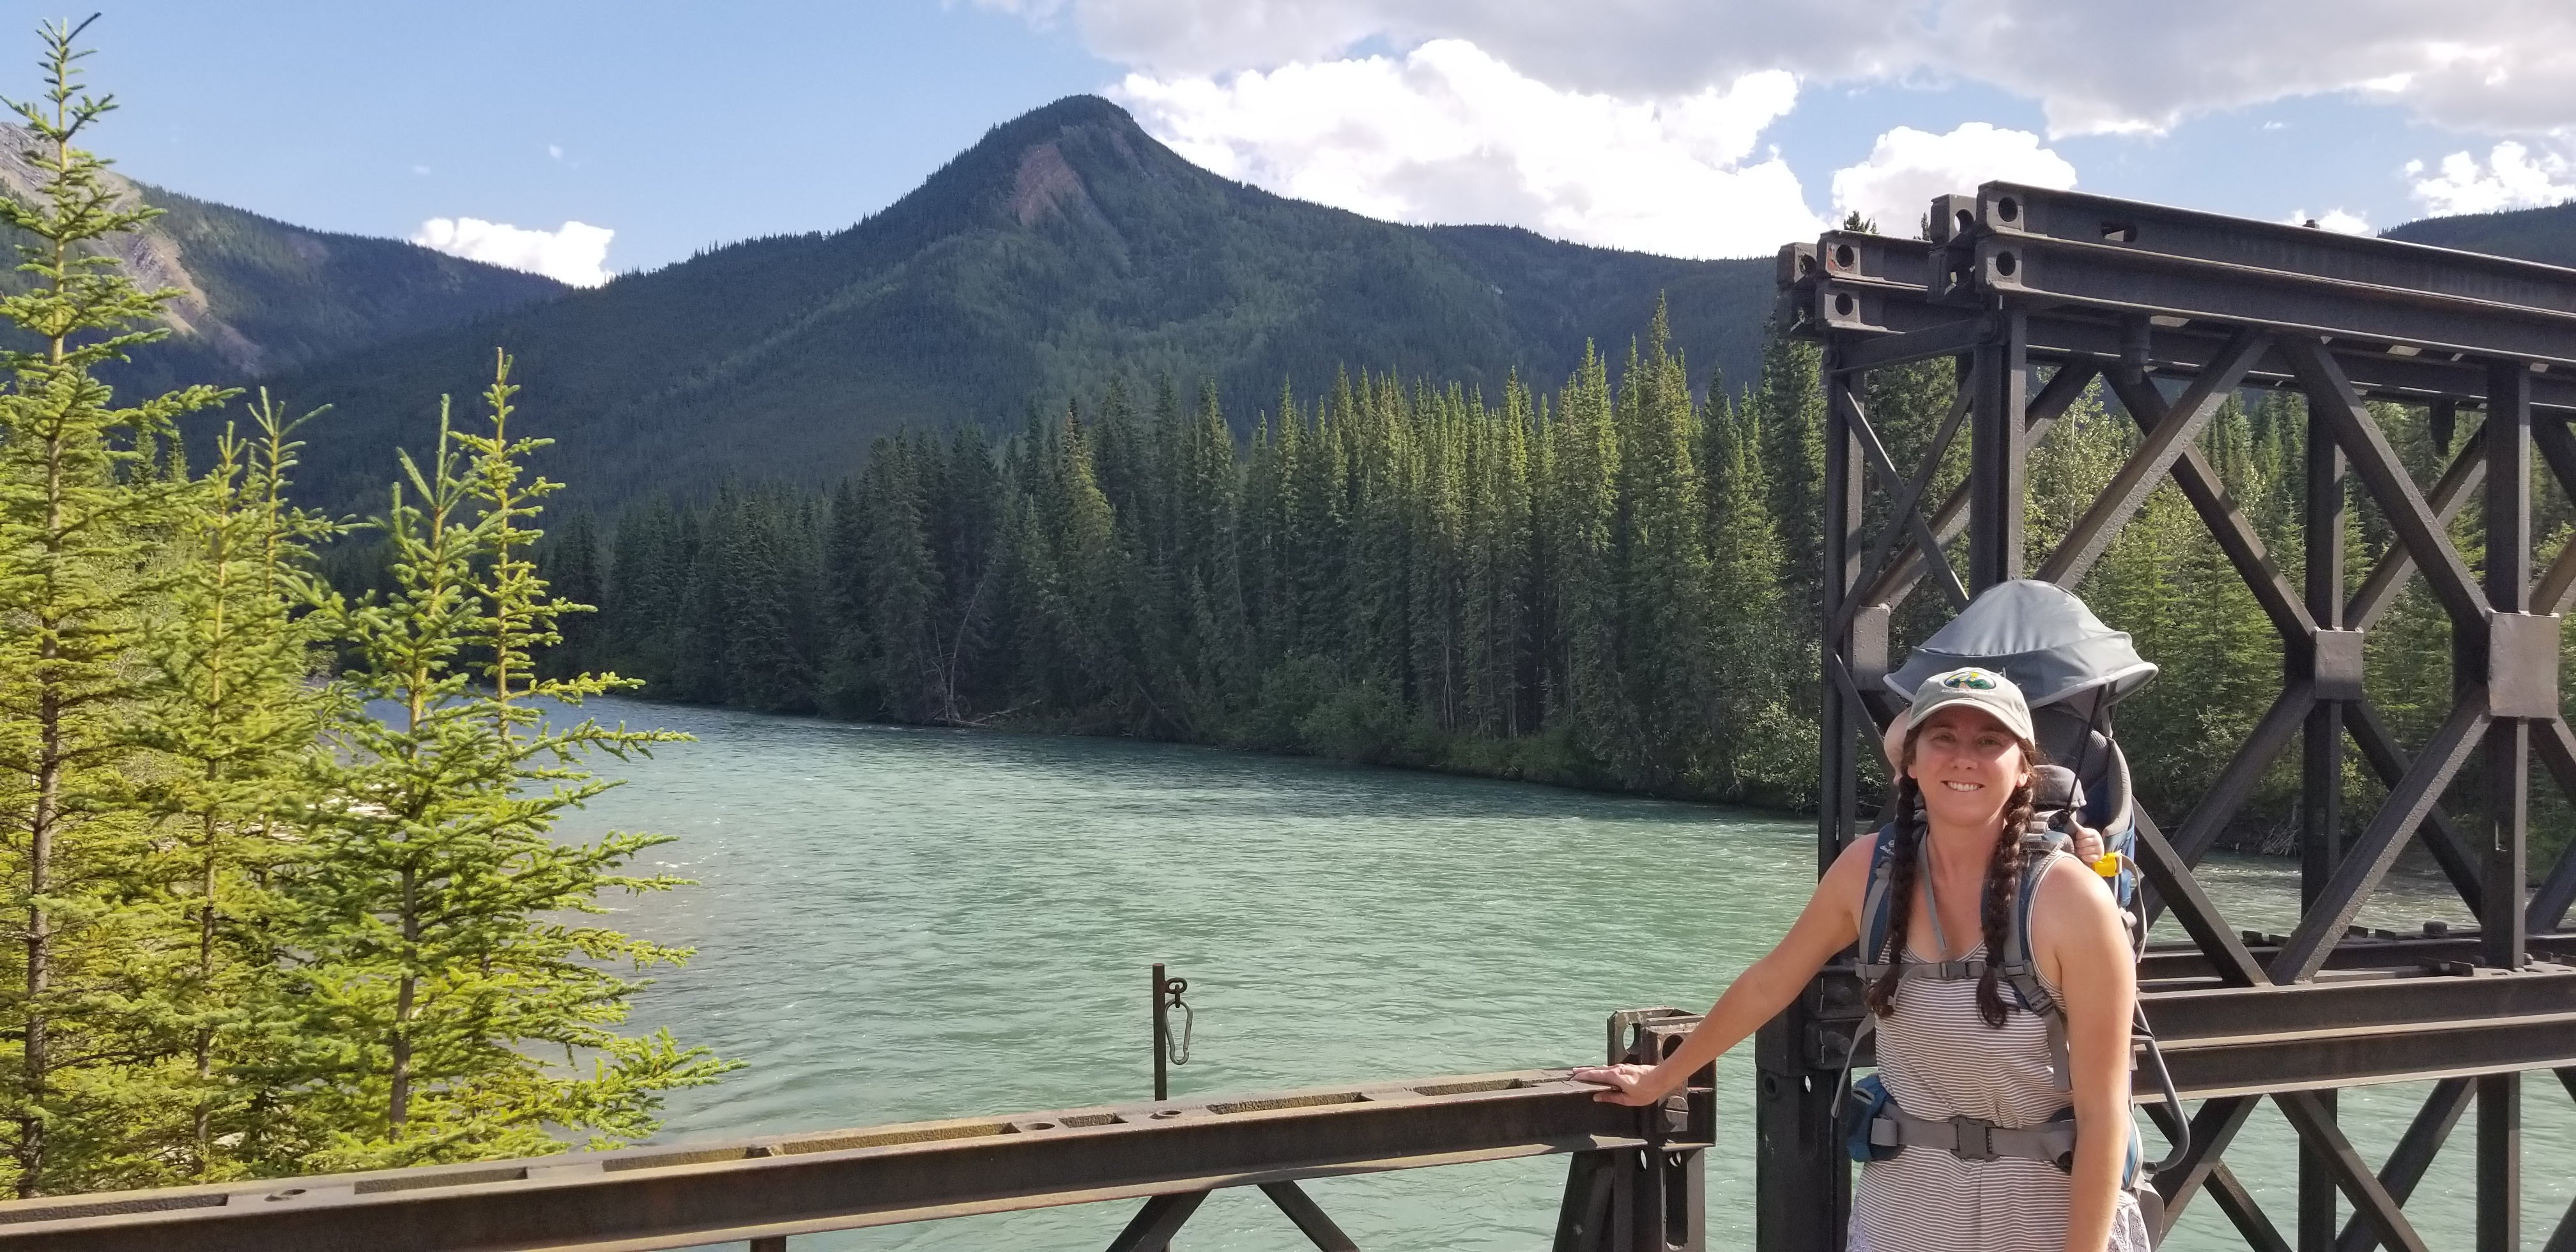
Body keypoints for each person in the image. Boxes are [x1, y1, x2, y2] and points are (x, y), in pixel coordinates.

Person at [1572, 667, 2149, 1252]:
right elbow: (1770, 984)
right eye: (1943, 737)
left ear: (2023, 768)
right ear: (1911, 763)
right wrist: (1664, 1078)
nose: (1964, 758)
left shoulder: (2072, 903)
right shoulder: (1867, 873)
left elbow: (2104, 1115)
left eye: (1989, 741)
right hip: (1903, 1220)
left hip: (2044, 1223)